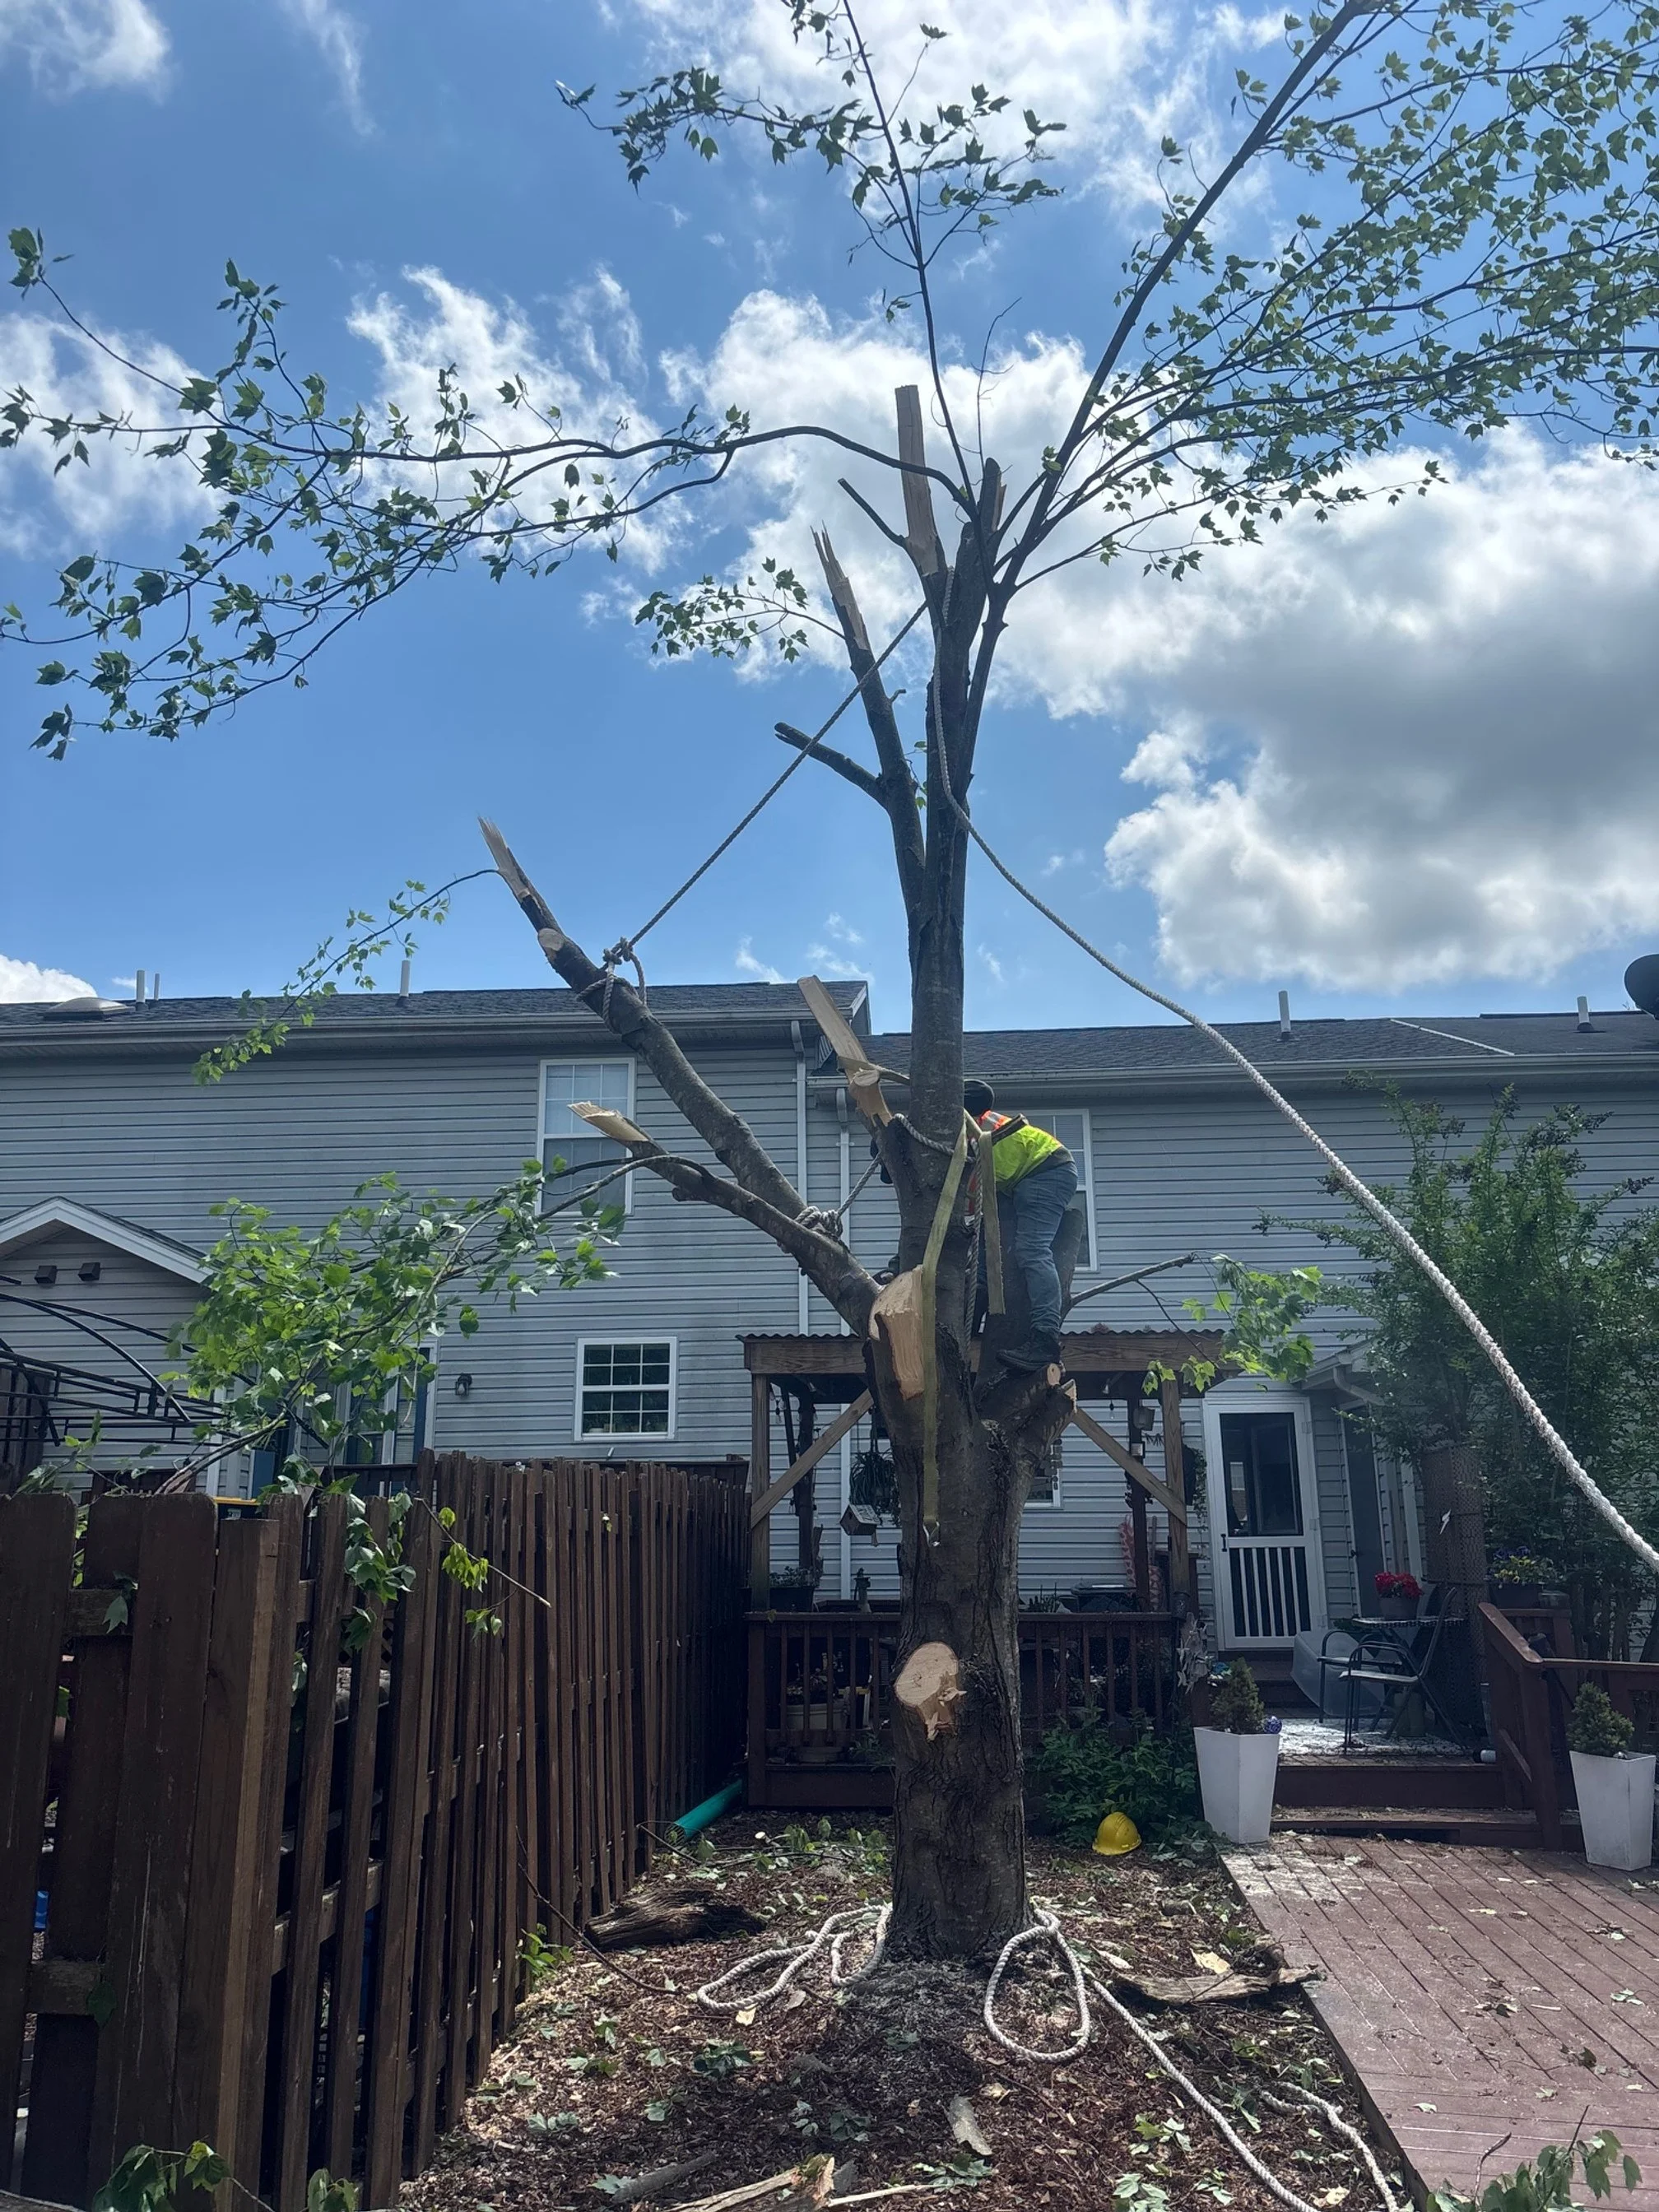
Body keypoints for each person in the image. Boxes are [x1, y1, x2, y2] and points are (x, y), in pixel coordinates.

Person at [964, 1078, 1078, 1369]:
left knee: (1032, 1250)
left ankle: (1045, 1339)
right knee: (984, 1255)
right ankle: (970, 1316)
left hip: (1044, 1170)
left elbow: (980, 1093)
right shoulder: (965, 1134)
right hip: (1017, 1181)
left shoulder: (965, 1128)